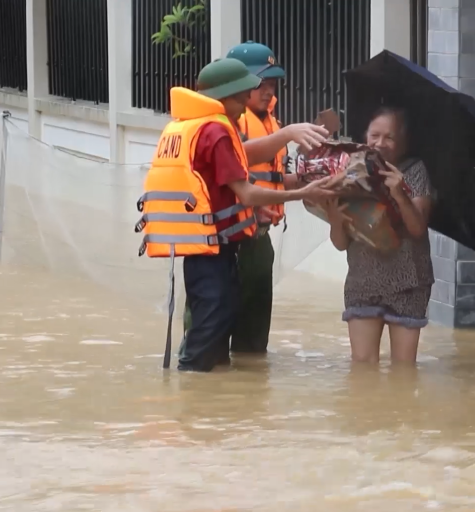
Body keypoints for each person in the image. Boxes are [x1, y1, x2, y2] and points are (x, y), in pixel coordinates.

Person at [140, 58, 335, 373]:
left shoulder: (196, 125)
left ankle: (208, 403)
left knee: (220, 317)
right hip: (211, 248)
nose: (250, 96)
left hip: (210, 246)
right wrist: (300, 195)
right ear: (225, 95)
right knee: (211, 320)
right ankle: (192, 392)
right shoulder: (215, 131)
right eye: (243, 91)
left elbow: (235, 173)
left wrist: (291, 154)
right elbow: (245, 191)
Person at [322, 106, 434, 364]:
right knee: (362, 367)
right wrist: (336, 221)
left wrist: (400, 193)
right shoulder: (351, 172)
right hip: (363, 280)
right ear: (365, 136)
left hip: (408, 281)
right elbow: (340, 244)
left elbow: (417, 229)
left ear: (403, 142)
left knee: (404, 370)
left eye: (390, 137)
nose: (380, 143)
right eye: (375, 135)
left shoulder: (415, 172)